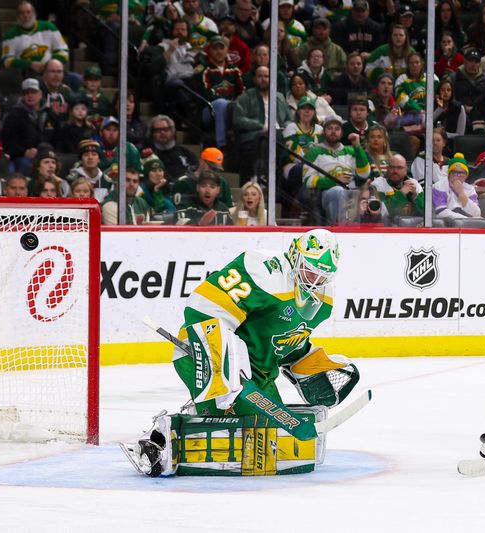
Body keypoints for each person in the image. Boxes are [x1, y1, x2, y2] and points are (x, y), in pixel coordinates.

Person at [126, 229, 358, 477]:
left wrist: (307, 362)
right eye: (310, 269)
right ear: (295, 255)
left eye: (323, 275)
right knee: (229, 432)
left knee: (270, 438)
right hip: (203, 356)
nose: (315, 279)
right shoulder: (263, 269)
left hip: (256, 377)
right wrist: (223, 360)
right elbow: (203, 306)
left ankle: (198, 415)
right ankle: (159, 441)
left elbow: (286, 343)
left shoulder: (324, 301)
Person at [301, 115, 371, 224]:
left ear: (342, 132)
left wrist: (357, 146)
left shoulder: (351, 150)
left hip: (352, 191)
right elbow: (307, 180)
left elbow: (364, 174)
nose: (333, 132)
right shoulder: (314, 151)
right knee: (338, 191)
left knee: (367, 195)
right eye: (329, 128)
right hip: (326, 193)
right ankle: (338, 229)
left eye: (337, 129)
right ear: (323, 132)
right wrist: (334, 181)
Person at [232, 64, 293, 184]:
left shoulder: (279, 97)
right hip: (255, 136)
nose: (263, 79)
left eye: (267, 76)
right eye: (260, 76)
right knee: (264, 139)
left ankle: (279, 185)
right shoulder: (247, 96)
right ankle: (261, 178)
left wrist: (285, 127)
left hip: (278, 136)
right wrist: (260, 126)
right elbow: (238, 119)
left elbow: (289, 119)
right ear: (254, 79)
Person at [1, 1, 69, 76]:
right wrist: (29, 64)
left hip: (51, 71)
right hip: (25, 74)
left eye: (28, 12)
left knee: (75, 79)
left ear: (34, 14)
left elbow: (63, 51)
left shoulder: (49, 28)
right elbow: (6, 61)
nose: (25, 16)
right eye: (22, 13)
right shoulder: (10, 35)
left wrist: (50, 65)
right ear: (17, 16)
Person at [0, 78, 44, 174]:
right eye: (26, 93)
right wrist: (25, 152)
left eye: (33, 92)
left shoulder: (44, 114)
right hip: (18, 158)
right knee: (26, 163)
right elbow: (7, 145)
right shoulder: (14, 115)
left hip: (39, 155)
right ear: (22, 95)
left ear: (40, 94)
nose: (30, 96)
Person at [371, 153, 423, 219]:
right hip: (387, 227)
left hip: (412, 227)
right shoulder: (378, 185)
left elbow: (427, 213)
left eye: (399, 168)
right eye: (392, 167)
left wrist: (415, 197)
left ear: (406, 170)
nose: (395, 171)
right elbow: (382, 212)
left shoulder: (414, 184)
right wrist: (401, 194)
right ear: (387, 168)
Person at [145, 115, 197, 182]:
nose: (162, 132)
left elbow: (196, 168)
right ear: (152, 133)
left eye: (166, 129)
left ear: (172, 131)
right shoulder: (149, 154)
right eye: (158, 130)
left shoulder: (184, 152)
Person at [432, 152, 481, 220]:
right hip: (445, 224)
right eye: (455, 172)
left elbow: (476, 213)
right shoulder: (439, 186)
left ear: (466, 175)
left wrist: (461, 194)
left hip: (466, 223)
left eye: (461, 172)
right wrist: (465, 219)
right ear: (449, 174)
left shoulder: (470, 189)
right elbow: (441, 212)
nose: (458, 175)